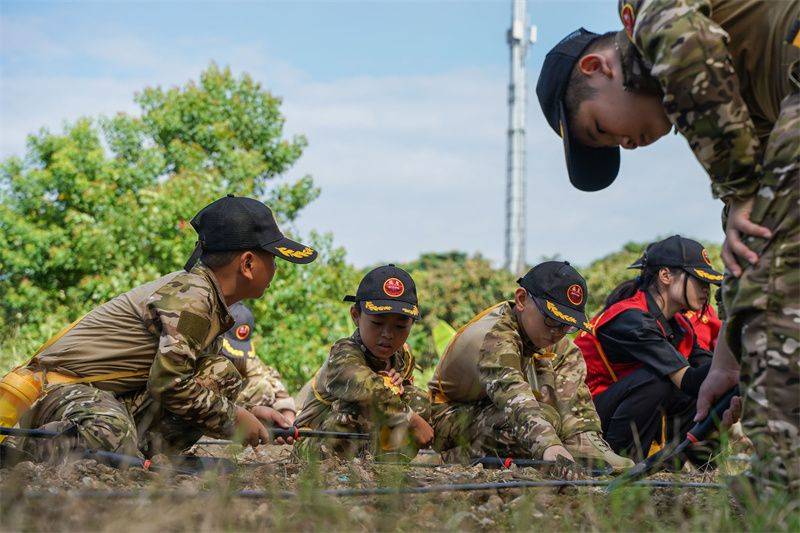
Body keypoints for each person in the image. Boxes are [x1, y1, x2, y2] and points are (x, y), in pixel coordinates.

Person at [537, 0, 798, 493]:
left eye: (599, 129)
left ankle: (785, 483)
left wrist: (737, 187)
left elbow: (687, 48)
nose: (624, 144)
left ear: (599, 67)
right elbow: (761, 232)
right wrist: (726, 358)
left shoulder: (651, 13)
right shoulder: (746, 88)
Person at [14, 194, 317, 460]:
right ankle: (24, 452)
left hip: (102, 394)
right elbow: (169, 384)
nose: (276, 268)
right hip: (57, 392)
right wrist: (236, 418)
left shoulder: (209, 300)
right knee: (110, 435)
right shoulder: (192, 298)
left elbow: (189, 377)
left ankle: (136, 454)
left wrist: (251, 411)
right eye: (273, 259)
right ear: (248, 264)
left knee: (220, 375)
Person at [428, 261, 633, 471]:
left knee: (568, 352)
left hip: (497, 411)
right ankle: (454, 457)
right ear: (521, 299)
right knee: (544, 419)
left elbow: (572, 400)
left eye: (567, 325)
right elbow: (513, 396)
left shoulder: (548, 338)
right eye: (551, 319)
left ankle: (582, 442)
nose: (558, 331)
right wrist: (549, 446)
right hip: (453, 419)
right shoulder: (493, 337)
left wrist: (580, 430)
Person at [574, 236, 723, 460]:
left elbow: (709, 373)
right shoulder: (631, 318)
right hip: (583, 422)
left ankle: (674, 467)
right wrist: (738, 352)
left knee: (711, 389)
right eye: (698, 279)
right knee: (658, 380)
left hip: (615, 411)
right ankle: (622, 461)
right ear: (665, 276)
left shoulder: (681, 326)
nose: (706, 289)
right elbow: (689, 380)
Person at [294, 265, 433, 459]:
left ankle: (389, 470)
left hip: (367, 446)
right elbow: (364, 387)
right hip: (313, 443)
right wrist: (409, 418)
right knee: (361, 403)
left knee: (418, 399)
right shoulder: (343, 353)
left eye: (400, 326)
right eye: (377, 323)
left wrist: (398, 386)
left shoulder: (403, 356)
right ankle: (338, 475)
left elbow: (402, 391)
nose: (388, 334)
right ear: (356, 316)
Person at [220, 302, 297, 424]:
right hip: (206, 407)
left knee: (263, 386)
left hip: (233, 409)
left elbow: (268, 378)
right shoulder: (203, 349)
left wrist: (288, 418)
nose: (235, 355)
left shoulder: (243, 357)